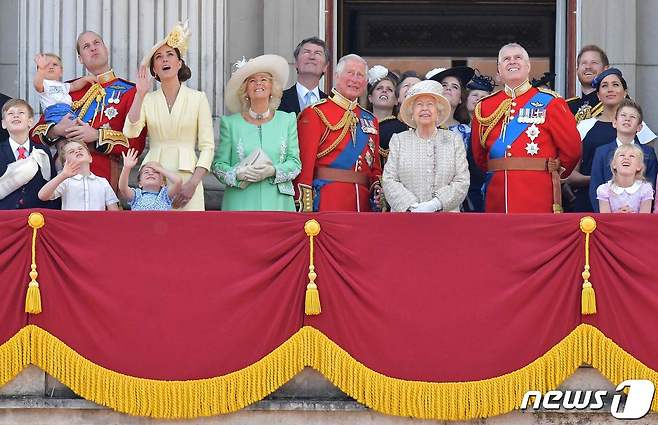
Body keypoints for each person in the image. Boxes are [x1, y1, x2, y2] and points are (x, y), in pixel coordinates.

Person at [471, 43, 581, 213]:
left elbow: (572, 149)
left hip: (537, 192)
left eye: (518, 58)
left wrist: (553, 175)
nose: (512, 62)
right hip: (496, 194)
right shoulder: (485, 106)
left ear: (528, 66)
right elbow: (479, 156)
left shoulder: (551, 102)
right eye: (506, 59)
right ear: (499, 70)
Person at [30, 31, 146, 190]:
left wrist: (97, 136)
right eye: (86, 46)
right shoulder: (66, 89)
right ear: (80, 58)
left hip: (103, 176)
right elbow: (34, 135)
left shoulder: (130, 91)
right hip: (62, 178)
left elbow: (135, 145)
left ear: (106, 49)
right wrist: (56, 130)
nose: (93, 48)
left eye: (96, 43)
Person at [124, 22, 215, 211]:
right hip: (155, 179)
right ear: (154, 69)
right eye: (159, 57)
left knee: (191, 234)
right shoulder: (147, 99)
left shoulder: (198, 98)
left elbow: (207, 147)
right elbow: (131, 131)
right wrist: (139, 94)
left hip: (189, 176)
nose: (165, 60)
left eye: (170, 55)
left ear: (179, 63)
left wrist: (193, 183)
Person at [294, 54, 383, 212]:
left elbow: (375, 167)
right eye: (350, 73)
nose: (355, 79)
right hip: (327, 200)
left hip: (363, 205)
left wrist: (377, 190)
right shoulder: (315, 113)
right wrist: (304, 205)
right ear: (336, 76)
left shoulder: (370, 120)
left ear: (365, 83)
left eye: (360, 75)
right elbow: (305, 165)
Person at [212, 54, 301, 211]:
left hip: (278, 203)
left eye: (264, 79)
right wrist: (237, 173)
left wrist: (273, 170)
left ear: (272, 87)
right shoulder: (230, 123)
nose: (258, 84)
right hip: (240, 203)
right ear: (245, 90)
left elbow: (295, 163)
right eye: (252, 80)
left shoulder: (287, 120)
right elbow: (219, 166)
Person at [566, 68, 656, 212]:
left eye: (615, 84)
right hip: (592, 202)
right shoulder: (584, 126)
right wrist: (599, 178)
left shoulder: (638, 126)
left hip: (637, 209)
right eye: (604, 86)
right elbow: (571, 173)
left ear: (625, 91)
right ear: (598, 95)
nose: (610, 89)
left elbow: (650, 174)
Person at [382, 80, 469, 212]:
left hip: (446, 221)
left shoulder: (454, 140)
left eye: (430, 104)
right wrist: (412, 206)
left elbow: (462, 181)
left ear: (438, 111)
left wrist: (435, 204)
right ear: (412, 112)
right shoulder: (399, 140)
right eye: (419, 105)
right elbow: (389, 180)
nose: (424, 109)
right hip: (406, 219)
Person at [589, 99, 657, 212]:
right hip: (608, 218)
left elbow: (652, 186)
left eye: (633, 117)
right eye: (623, 115)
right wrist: (605, 218)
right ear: (614, 122)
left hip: (640, 218)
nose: (627, 119)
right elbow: (595, 187)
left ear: (639, 127)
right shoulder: (602, 152)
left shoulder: (648, 153)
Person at [0, 99, 55, 210]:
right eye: (10, 113)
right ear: (4, 124)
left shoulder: (43, 151)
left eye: (21, 112)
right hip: (4, 217)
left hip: (37, 218)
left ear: (30, 121)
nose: (16, 116)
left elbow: (52, 185)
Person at [38, 140, 119, 210]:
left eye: (80, 149)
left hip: (96, 226)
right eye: (71, 151)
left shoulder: (103, 182)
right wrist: (63, 175)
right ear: (65, 163)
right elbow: (42, 196)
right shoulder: (65, 181)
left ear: (90, 158)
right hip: (72, 226)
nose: (77, 151)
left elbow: (114, 212)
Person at [33, 53, 96, 124]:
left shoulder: (63, 85)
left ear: (61, 71)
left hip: (68, 111)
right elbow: (37, 85)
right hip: (54, 112)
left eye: (55, 64)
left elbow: (74, 85)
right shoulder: (44, 83)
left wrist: (85, 79)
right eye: (46, 65)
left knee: (78, 128)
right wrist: (41, 70)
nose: (51, 67)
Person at [379, 70, 421, 164]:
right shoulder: (383, 128)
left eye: (416, 86)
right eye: (406, 86)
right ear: (397, 98)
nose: (411, 89)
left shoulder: (437, 129)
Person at [278, 37, 329, 114]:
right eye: (306, 52)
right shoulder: (277, 101)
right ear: (296, 63)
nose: (311, 57)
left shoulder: (331, 104)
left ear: (325, 66)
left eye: (318, 53)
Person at [596, 144, 653, 213]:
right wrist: (618, 216)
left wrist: (631, 215)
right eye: (622, 155)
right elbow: (605, 219)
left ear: (639, 166)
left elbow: (645, 219)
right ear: (614, 165)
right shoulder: (604, 190)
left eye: (632, 156)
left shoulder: (646, 189)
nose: (626, 158)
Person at [567, 45, 609, 123]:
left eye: (594, 63)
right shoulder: (566, 107)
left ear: (605, 69)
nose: (588, 67)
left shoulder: (615, 104)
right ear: (577, 70)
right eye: (584, 63)